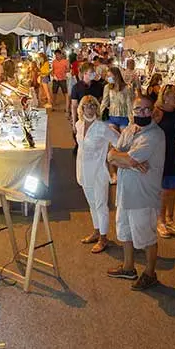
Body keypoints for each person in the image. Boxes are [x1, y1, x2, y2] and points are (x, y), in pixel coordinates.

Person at [106, 94, 165, 290]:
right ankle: (128, 267)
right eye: (138, 110)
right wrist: (122, 159)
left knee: (146, 237)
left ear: (153, 111)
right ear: (132, 111)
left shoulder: (155, 135)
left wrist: (122, 159)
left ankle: (150, 273)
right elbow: (113, 154)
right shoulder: (130, 130)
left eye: (147, 109)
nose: (142, 113)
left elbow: (127, 159)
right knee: (125, 232)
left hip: (143, 195)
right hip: (125, 192)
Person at [74, 95, 119, 253]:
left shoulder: (102, 127)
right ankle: (96, 231)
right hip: (83, 171)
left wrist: (115, 157)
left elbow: (118, 141)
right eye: (87, 105)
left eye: (93, 105)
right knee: (92, 204)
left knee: (101, 205)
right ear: (82, 108)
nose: (91, 108)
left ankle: (103, 238)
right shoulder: (79, 125)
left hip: (99, 172)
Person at [153, 84, 175, 238]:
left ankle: (170, 219)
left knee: (173, 190)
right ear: (165, 97)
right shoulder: (158, 113)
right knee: (163, 191)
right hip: (162, 155)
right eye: (173, 96)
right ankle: (160, 221)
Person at [71, 63, 105, 134]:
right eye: (91, 72)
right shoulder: (76, 87)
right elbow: (74, 106)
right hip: (81, 119)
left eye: (94, 71)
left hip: (95, 120)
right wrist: (74, 123)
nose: (94, 73)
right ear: (85, 73)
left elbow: (101, 102)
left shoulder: (99, 86)